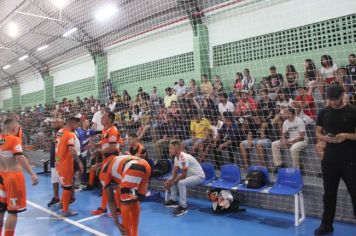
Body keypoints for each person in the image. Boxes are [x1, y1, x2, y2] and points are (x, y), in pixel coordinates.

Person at [314, 84, 356, 235]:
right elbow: (318, 132)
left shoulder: (352, 111)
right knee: (329, 194)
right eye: (330, 99)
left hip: (350, 161)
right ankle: (326, 225)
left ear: (342, 95)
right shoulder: (324, 112)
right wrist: (325, 138)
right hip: (330, 160)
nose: (333, 102)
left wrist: (345, 135)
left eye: (335, 99)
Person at [0, 119, 38, 236]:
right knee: (12, 212)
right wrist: (32, 173)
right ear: (14, 129)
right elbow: (20, 157)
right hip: (13, 178)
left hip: (1, 176)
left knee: (1, 211)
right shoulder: (14, 139)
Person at [100, 155, 151, 236]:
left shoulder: (102, 175)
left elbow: (111, 201)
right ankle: (134, 234)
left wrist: (116, 222)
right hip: (146, 165)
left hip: (133, 167)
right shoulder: (111, 164)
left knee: (125, 202)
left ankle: (126, 234)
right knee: (134, 199)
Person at [87, 111, 123, 215]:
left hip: (113, 159)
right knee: (105, 184)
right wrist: (95, 145)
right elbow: (104, 143)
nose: (102, 118)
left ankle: (118, 209)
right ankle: (103, 208)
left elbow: (112, 148)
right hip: (107, 159)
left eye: (104, 117)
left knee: (113, 185)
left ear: (110, 120)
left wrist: (99, 151)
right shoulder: (104, 130)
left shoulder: (113, 130)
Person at [164, 140, 205, 216]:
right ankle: (174, 200)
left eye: (171, 148)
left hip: (198, 176)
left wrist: (172, 182)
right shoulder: (176, 158)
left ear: (176, 149)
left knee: (181, 183)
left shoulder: (183, 157)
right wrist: (170, 181)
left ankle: (183, 207)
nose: (169, 150)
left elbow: (183, 175)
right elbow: (175, 173)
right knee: (171, 179)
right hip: (190, 176)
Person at [54, 117, 84, 216]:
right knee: (67, 187)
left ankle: (63, 203)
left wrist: (57, 160)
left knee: (66, 186)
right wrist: (79, 162)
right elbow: (71, 149)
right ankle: (65, 210)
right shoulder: (70, 134)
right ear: (72, 124)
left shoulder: (60, 131)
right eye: (77, 125)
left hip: (59, 163)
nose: (77, 127)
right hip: (66, 165)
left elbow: (57, 147)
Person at [47, 118, 64, 207]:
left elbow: (61, 148)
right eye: (54, 121)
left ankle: (67, 199)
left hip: (59, 161)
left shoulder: (62, 132)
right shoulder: (56, 133)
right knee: (54, 180)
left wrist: (57, 159)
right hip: (54, 161)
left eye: (57, 122)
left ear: (62, 123)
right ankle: (56, 197)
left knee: (64, 182)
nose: (54, 123)